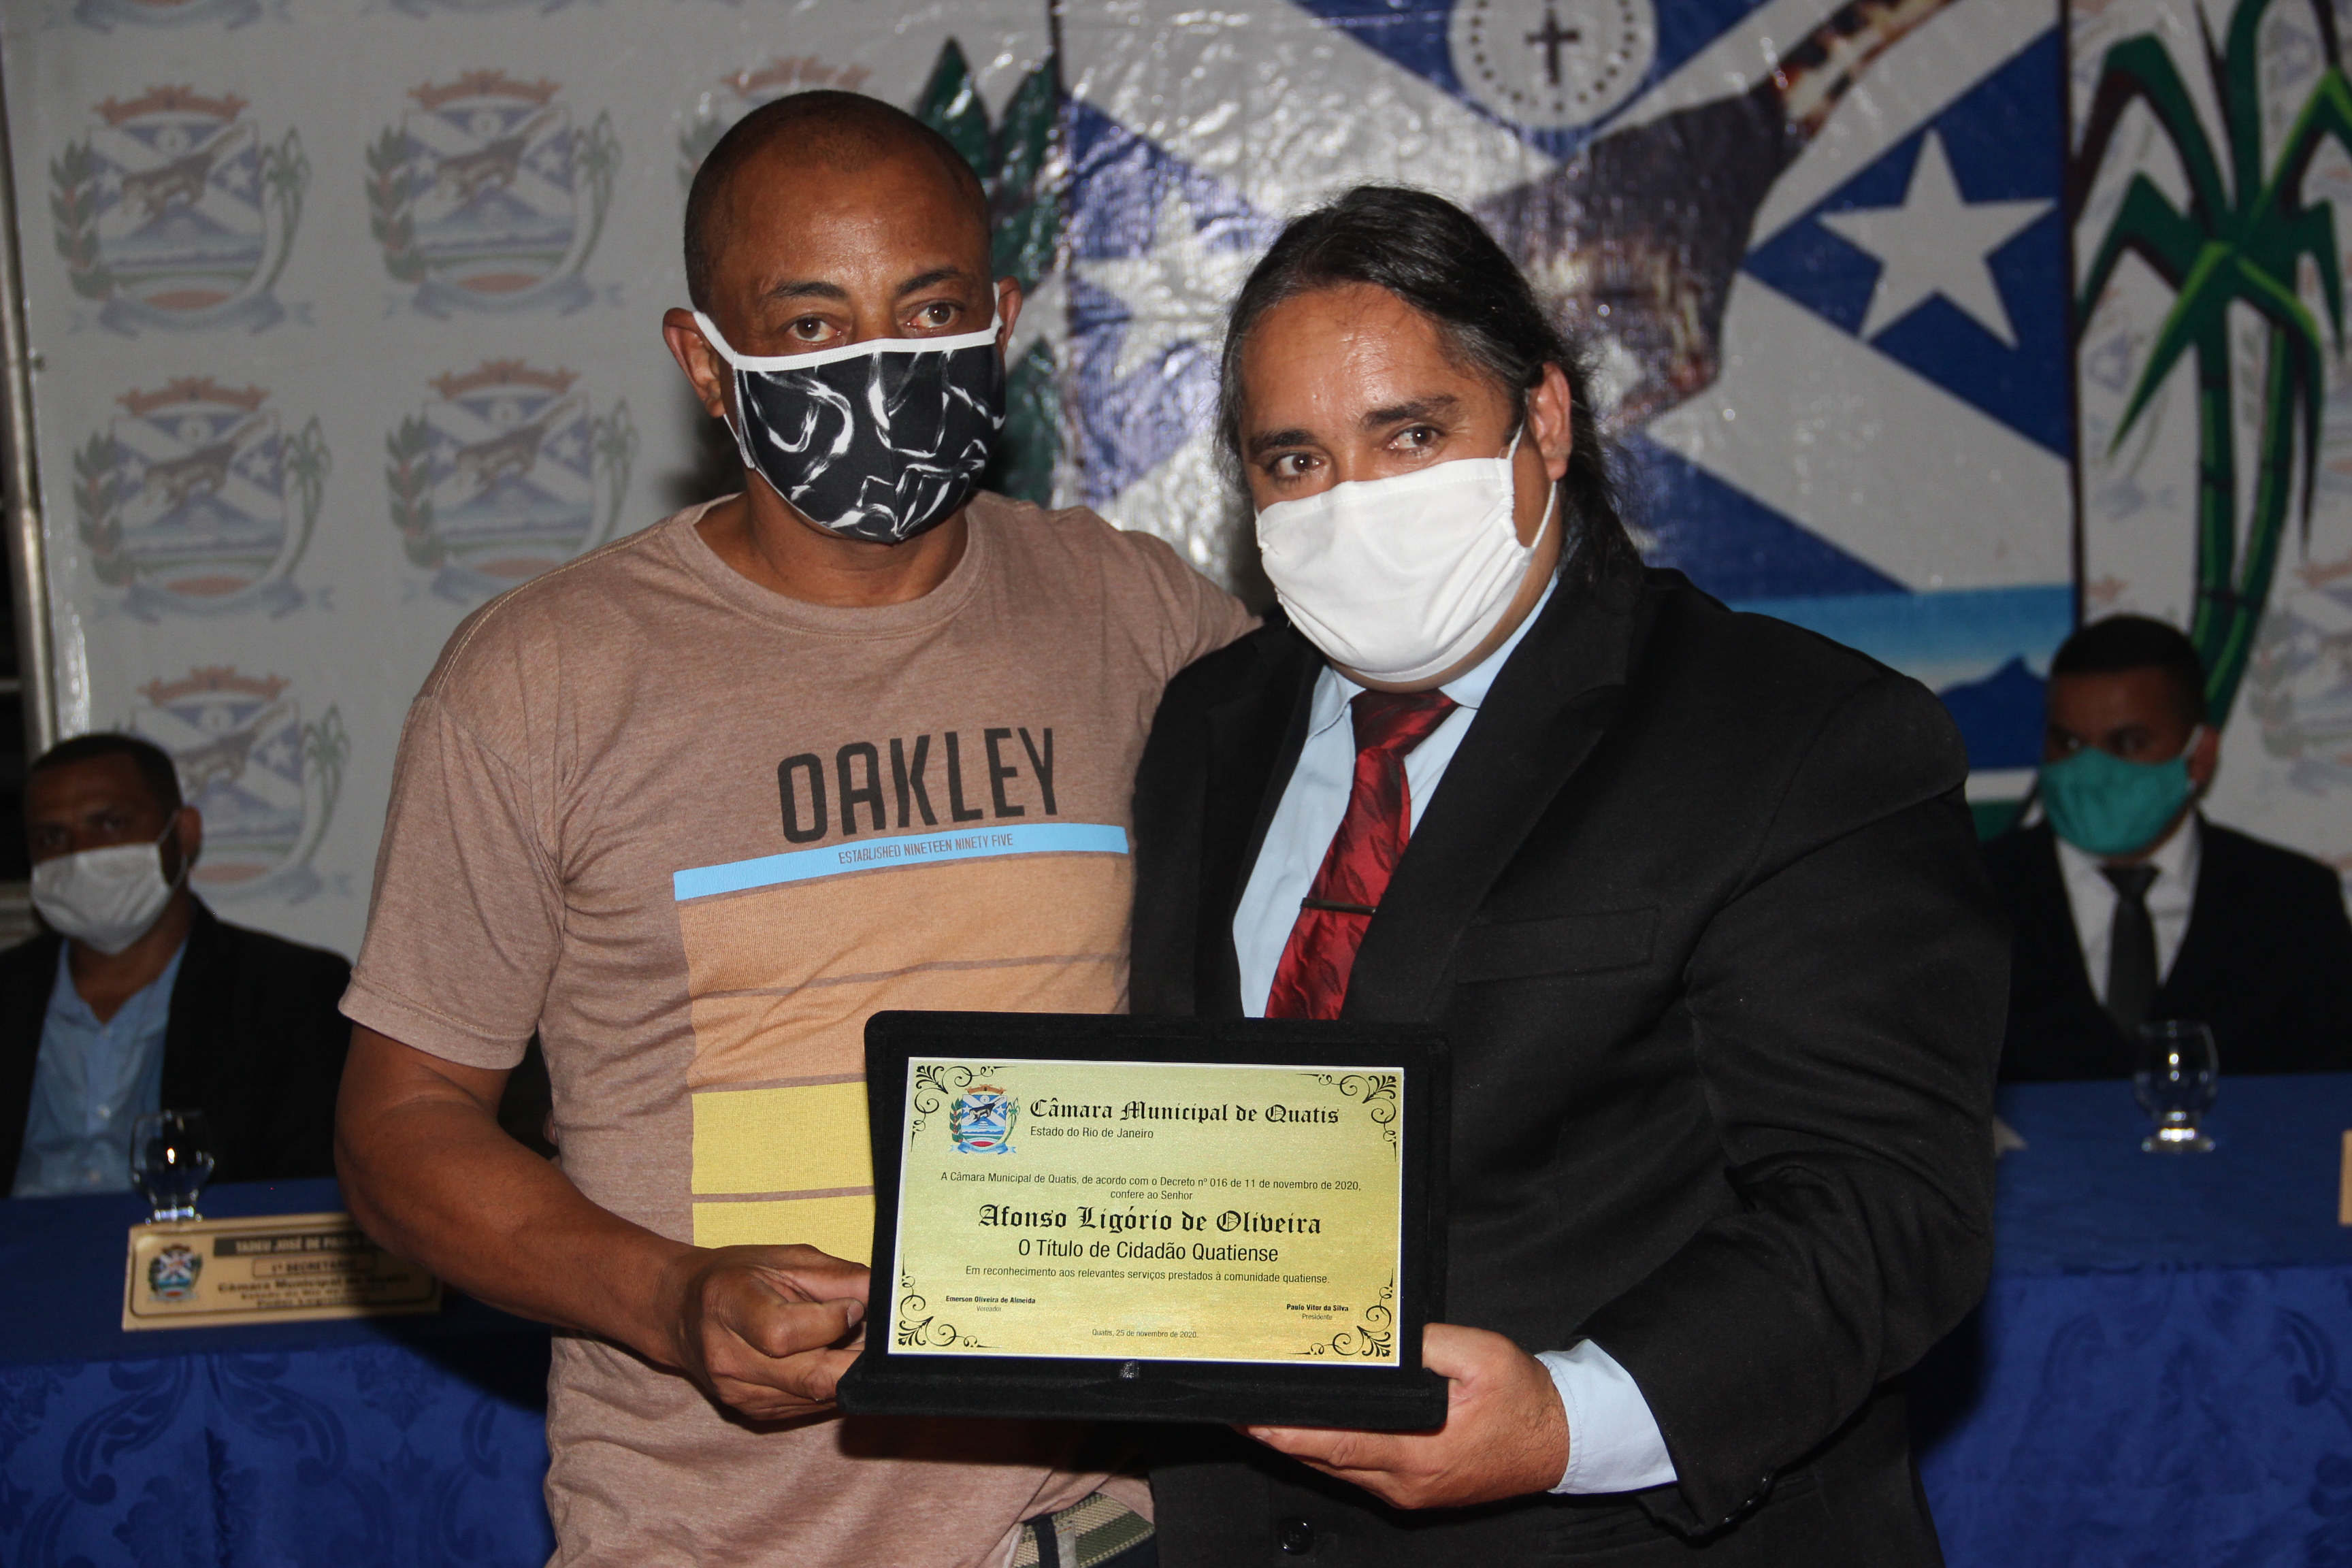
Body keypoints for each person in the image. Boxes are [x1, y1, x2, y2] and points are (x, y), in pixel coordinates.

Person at [333, 92, 1249, 1568]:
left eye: (931, 309)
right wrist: (670, 1296)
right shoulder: (540, 679)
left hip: (1105, 1526)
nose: (882, 362)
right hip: (714, 1536)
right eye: (812, 324)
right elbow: (399, 1127)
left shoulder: (1139, 613)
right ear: (706, 362)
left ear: (1001, 319)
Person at [1128, 186, 2006, 1564]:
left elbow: (1884, 1208)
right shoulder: (1207, 724)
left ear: (1543, 420)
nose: (1353, 503)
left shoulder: (1797, 737)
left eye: (1411, 434)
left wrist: (1569, 1419)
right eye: (1294, 459)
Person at [1987, 615, 2352, 1080]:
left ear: (2199, 756)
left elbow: (2332, 1097)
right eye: (2070, 743)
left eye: (2128, 743)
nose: (2091, 769)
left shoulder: (2292, 903)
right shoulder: (1972, 894)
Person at [0, 733, 348, 1194]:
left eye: (111, 824)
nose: (80, 855)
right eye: (52, 837)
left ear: (183, 832)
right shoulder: (10, 992)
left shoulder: (291, 994)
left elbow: (306, 1193)